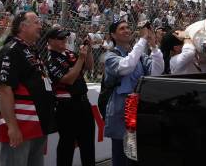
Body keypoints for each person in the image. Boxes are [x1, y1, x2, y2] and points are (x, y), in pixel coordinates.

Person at [0, 12, 56, 166]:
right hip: (22, 126)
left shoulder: (32, 50)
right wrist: (12, 127)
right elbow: (4, 90)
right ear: (23, 26)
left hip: (38, 125)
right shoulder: (12, 50)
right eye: (36, 22)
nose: (40, 26)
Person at [103, 21, 163, 166]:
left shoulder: (139, 55)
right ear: (113, 35)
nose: (127, 30)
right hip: (121, 112)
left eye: (128, 27)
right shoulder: (110, 56)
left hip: (139, 110)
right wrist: (142, 40)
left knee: (137, 156)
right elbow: (126, 67)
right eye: (121, 28)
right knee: (121, 156)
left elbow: (157, 71)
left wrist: (153, 45)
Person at [45, 28, 95, 166]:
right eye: (60, 38)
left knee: (88, 145)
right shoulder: (51, 58)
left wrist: (88, 50)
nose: (64, 40)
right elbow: (68, 79)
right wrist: (81, 58)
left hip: (84, 103)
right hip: (66, 107)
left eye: (65, 38)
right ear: (51, 41)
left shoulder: (69, 53)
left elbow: (89, 67)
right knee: (66, 147)